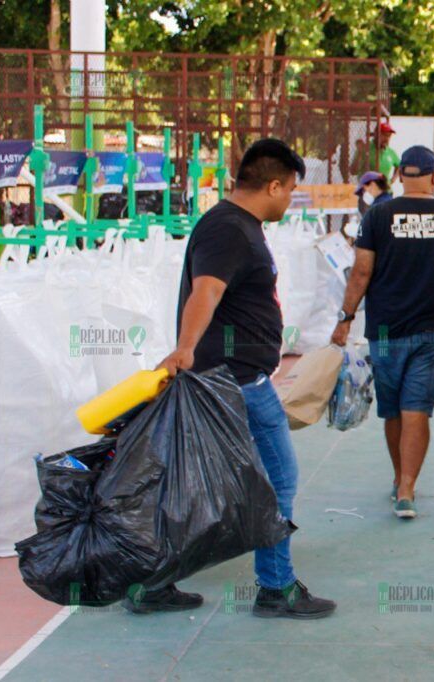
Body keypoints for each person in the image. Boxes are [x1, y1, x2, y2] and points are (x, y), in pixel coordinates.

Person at [137, 139, 336, 619]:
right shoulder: (230, 230)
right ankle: (275, 587)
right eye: (289, 190)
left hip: (230, 377)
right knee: (278, 480)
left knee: (204, 486)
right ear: (272, 185)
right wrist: (184, 350)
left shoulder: (234, 225)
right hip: (238, 381)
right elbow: (206, 292)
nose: (289, 200)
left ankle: (152, 581)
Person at [331, 145, 434, 520]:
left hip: (386, 330)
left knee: (393, 411)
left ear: (401, 177)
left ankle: (399, 478)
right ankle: (407, 488)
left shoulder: (378, 215)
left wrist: (345, 318)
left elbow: (361, 272)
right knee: (416, 410)